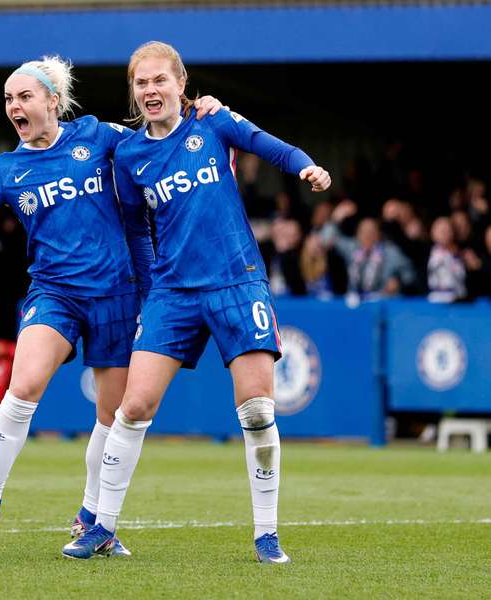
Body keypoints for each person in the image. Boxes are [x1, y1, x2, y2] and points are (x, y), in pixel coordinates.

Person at [0, 55, 223, 554]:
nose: (15, 105)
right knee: (24, 385)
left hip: (118, 295)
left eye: (24, 96)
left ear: (53, 101)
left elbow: (157, 139)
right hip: (54, 293)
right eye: (8, 99)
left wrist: (203, 115)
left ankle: (91, 519)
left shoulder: (97, 135)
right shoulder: (5, 169)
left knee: (111, 416)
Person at [61, 41, 331, 563]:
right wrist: (149, 288)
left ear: (181, 84)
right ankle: (101, 528)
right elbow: (136, 229)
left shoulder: (213, 123)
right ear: (134, 92)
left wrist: (307, 167)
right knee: (133, 407)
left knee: (257, 411)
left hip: (236, 283)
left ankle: (267, 535)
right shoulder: (130, 156)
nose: (151, 90)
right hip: (172, 292)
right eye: (141, 83)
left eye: (160, 80)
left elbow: (269, 146)